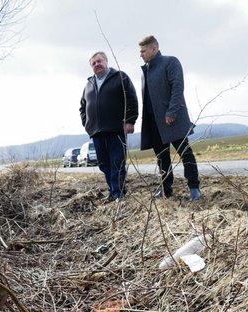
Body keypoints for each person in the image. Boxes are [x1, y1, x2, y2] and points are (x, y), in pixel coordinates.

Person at [138, 35, 201, 200]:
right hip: (154, 123)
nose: (141, 55)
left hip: (171, 119)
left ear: (154, 48)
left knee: (185, 152)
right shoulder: (145, 71)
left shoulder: (170, 62)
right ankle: (166, 190)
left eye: (143, 51)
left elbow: (177, 87)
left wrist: (172, 112)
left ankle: (194, 188)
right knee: (162, 158)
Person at [80, 51, 138, 201]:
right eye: (93, 63)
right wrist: (87, 125)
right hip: (97, 132)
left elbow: (131, 98)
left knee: (117, 163)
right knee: (104, 164)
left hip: (116, 129)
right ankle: (112, 192)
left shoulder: (120, 77)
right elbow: (82, 107)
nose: (97, 65)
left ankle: (119, 194)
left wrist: (130, 121)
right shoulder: (88, 84)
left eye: (99, 61)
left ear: (106, 61)